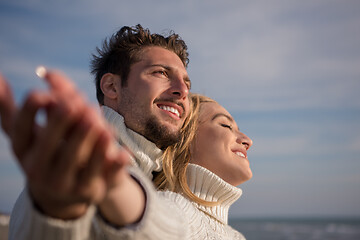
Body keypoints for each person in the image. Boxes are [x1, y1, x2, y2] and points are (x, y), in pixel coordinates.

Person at [0, 24, 192, 239]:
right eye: (161, 72)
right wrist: (58, 216)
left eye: (187, 83)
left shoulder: (163, 182)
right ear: (111, 87)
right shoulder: (66, 165)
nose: (183, 91)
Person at [96, 93, 253, 239]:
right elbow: (148, 218)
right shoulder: (179, 212)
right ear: (187, 140)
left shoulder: (235, 236)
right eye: (226, 125)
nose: (247, 140)